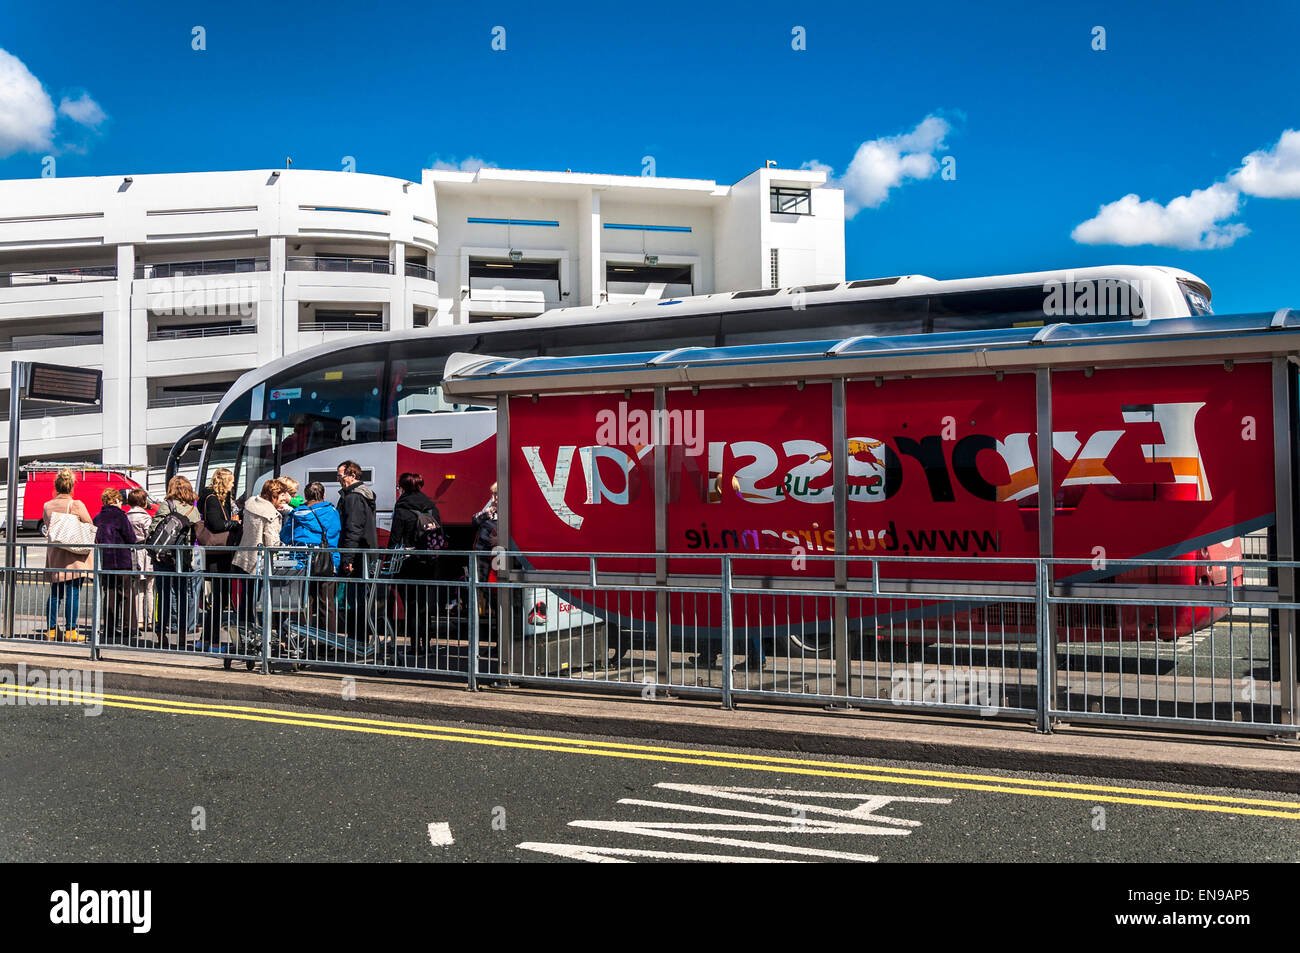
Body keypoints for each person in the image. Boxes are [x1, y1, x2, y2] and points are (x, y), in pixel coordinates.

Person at [387, 472, 443, 650]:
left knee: (411, 605)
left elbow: (395, 538)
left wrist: (388, 560)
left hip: (408, 563)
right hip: (429, 562)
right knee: (425, 605)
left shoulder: (402, 508)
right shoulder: (431, 506)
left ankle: (415, 646)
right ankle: (427, 645)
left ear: (402, 488)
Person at [281, 481, 341, 634]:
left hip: (302, 562)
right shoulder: (332, 511)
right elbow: (336, 533)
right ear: (324, 495)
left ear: (306, 496)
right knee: (327, 603)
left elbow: (285, 536)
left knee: (304, 602)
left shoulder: (297, 514)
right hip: (328, 561)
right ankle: (328, 643)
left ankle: (303, 639)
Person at [41, 468, 93, 642]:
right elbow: (89, 524)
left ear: (56, 486)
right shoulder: (76, 505)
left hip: (55, 555)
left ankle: (51, 630)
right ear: (71, 487)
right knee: (73, 593)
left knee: (55, 593)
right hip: (73, 557)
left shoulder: (47, 506)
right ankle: (71, 631)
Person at [231, 479, 290, 633]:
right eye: (282, 495)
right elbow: (272, 543)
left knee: (246, 598)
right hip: (261, 563)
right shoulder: (271, 514)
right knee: (260, 601)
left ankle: (244, 631)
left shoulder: (251, 504)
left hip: (245, 558)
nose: (284, 499)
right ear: (273, 495)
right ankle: (260, 635)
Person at [149, 476, 201, 645]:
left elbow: (154, 528)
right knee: (183, 595)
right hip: (184, 557)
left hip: (163, 556)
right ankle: (182, 634)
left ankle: (161, 633)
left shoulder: (167, 505)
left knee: (163, 594)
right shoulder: (193, 510)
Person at [198, 468, 240, 645]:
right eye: (231, 481)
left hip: (220, 553)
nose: (233, 484)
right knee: (218, 598)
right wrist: (234, 524)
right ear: (224, 482)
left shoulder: (220, 499)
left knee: (219, 598)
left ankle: (206, 639)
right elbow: (216, 524)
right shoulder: (212, 499)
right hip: (217, 554)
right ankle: (213, 640)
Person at [336, 461, 377, 636]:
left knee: (353, 601)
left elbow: (353, 530)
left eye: (340, 476)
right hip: (363, 554)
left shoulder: (353, 498)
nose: (338, 479)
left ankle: (356, 641)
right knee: (359, 599)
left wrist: (348, 559)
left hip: (356, 557)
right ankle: (359, 639)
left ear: (352, 475)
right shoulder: (363, 495)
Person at [93, 488, 136, 643]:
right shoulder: (120, 516)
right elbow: (131, 538)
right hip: (121, 561)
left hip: (105, 562)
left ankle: (109, 628)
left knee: (110, 595)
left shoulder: (97, 518)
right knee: (126, 594)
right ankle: (129, 627)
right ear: (116, 500)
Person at [124, 489, 154, 634]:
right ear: (143, 501)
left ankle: (139, 619)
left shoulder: (126, 517)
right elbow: (150, 535)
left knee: (137, 589)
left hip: (132, 552)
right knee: (149, 588)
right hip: (146, 552)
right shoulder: (146, 517)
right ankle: (150, 620)